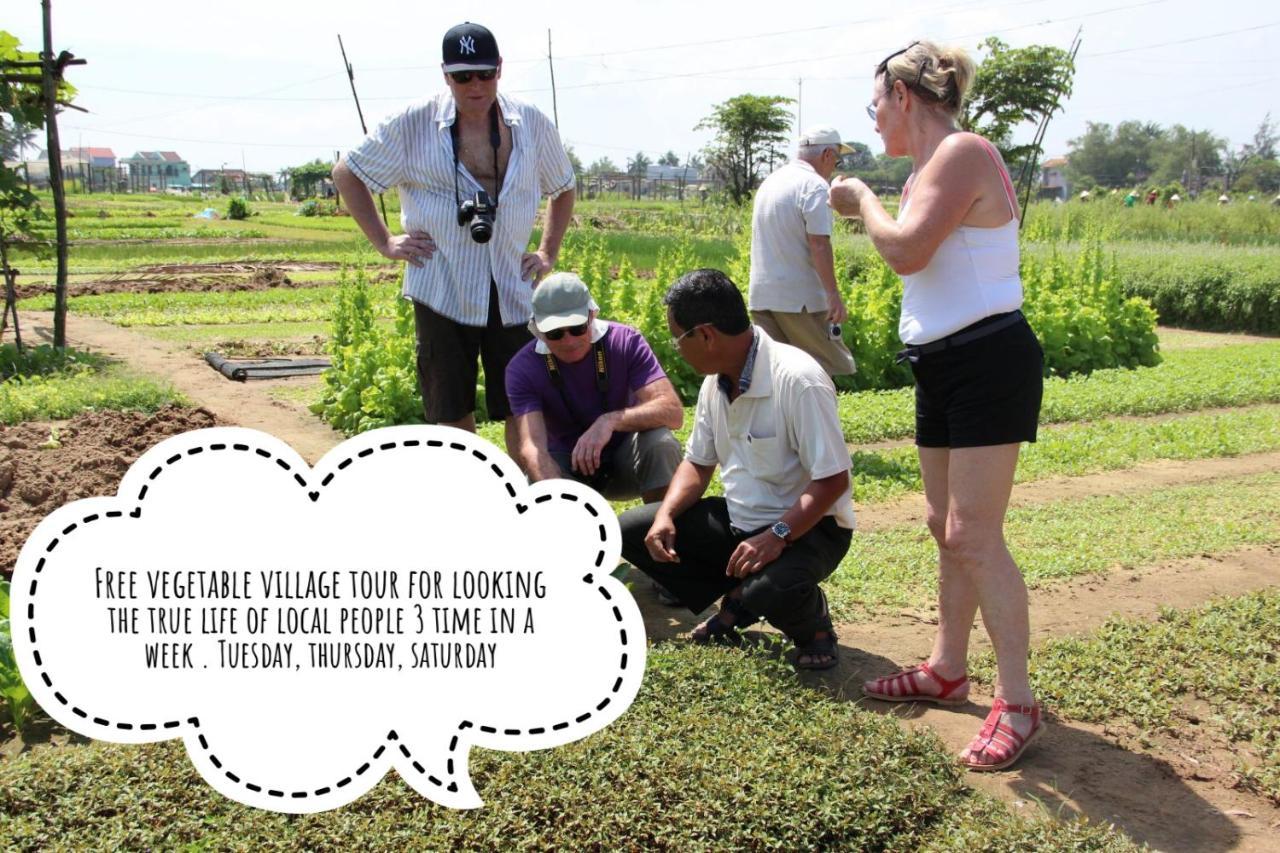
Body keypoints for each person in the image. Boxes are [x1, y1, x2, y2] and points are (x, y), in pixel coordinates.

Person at [829, 40, 1045, 771]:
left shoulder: (962, 152)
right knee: (942, 525)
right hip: (944, 364)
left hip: (989, 359)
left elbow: (908, 250)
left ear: (901, 93)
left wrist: (860, 199)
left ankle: (1016, 700)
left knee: (974, 532)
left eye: (876, 104)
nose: (875, 118)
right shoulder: (929, 169)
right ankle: (948, 665)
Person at [332, 21, 576, 449]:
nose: (475, 85)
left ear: (500, 69)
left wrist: (547, 252)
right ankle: (469, 497)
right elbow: (347, 173)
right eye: (463, 76)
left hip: (510, 286)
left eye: (485, 73)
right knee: (450, 408)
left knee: (521, 403)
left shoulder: (531, 123)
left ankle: (521, 497)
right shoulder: (412, 123)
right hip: (441, 285)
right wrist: (386, 242)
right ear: (445, 75)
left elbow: (564, 186)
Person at [618, 269, 854, 670]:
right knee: (632, 531)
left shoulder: (798, 379)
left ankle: (813, 628)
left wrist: (777, 536)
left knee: (773, 589)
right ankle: (741, 597)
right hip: (740, 523)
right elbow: (697, 463)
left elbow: (832, 480)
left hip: (810, 529)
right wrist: (665, 515)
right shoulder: (716, 384)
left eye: (678, 338)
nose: (676, 349)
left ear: (706, 335)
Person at [505, 272, 683, 504]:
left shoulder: (626, 341)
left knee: (662, 444)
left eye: (577, 328)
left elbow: (673, 412)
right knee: (537, 476)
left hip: (625, 458)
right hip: (565, 465)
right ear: (536, 328)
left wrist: (609, 421)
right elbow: (532, 447)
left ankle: (658, 527)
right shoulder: (521, 367)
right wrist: (556, 493)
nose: (568, 341)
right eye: (555, 333)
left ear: (592, 314)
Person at [748, 126, 857, 377]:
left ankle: (785, 419)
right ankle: (820, 418)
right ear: (827, 154)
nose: (834, 167)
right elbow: (819, 243)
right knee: (824, 367)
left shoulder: (771, 182)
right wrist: (833, 294)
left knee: (777, 375)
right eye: (837, 160)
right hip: (801, 301)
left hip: (763, 297)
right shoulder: (814, 186)